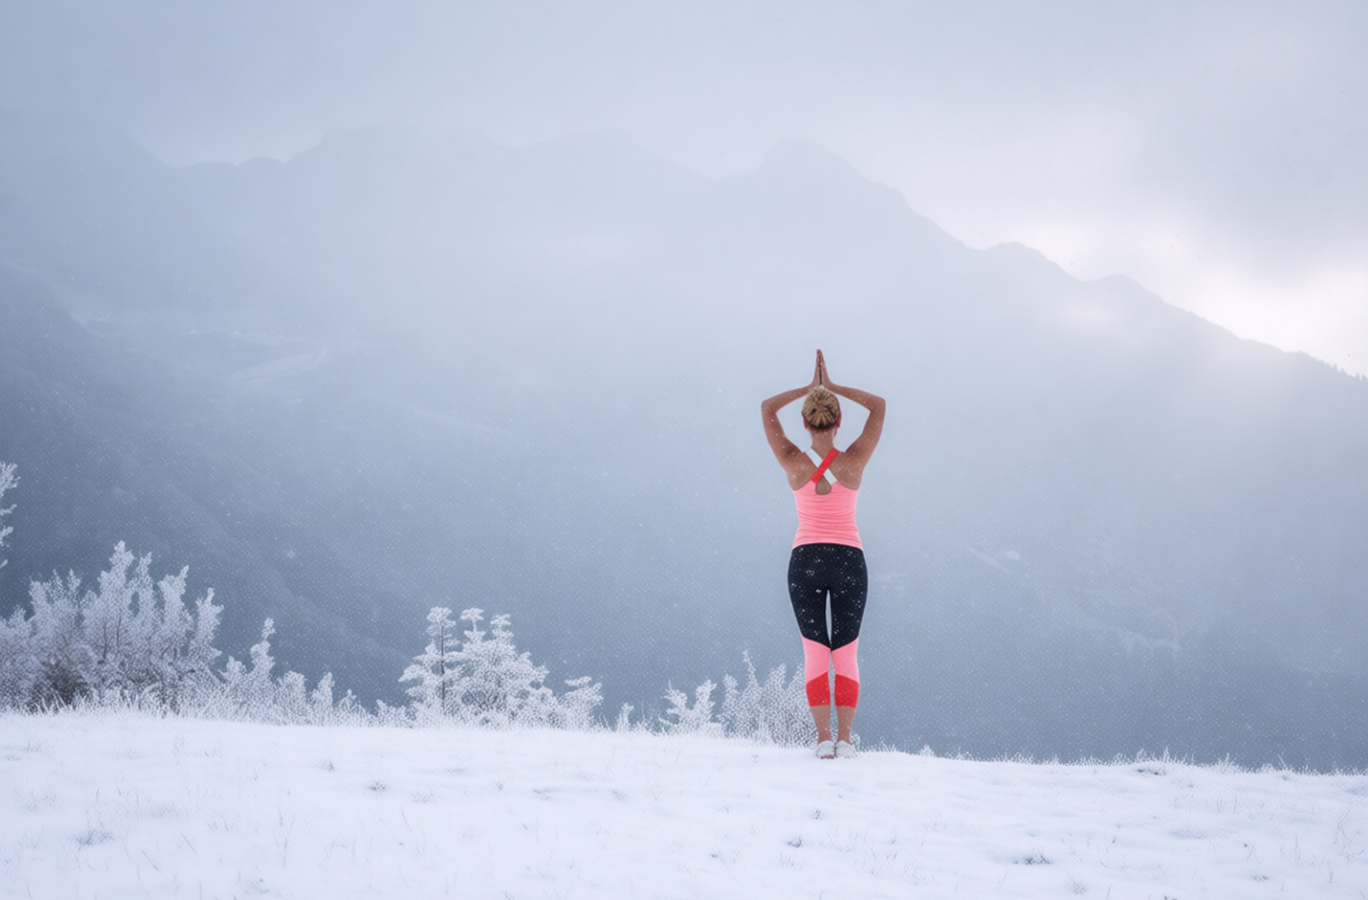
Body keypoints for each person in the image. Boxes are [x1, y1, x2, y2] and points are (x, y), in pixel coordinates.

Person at [761, 350, 885, 759]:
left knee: (815, 651)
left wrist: (807, 387)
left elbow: (766, 409)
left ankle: (822, 741)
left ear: (804, 421)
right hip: (849, 560)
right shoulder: (854, 461)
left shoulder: (793, 462)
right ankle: (845, 740)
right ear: (839, 420)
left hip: (806, 562)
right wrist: (831, 386)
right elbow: (879, 406)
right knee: (845, 652)